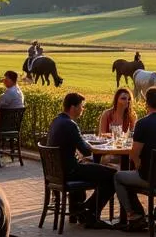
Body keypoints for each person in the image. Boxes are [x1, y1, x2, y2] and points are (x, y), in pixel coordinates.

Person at [114, 86, 156, 228]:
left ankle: (135, 215)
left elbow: (134, 153)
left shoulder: (143, 123)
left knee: (118, 177)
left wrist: (138, 164)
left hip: (150, 177)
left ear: (146, 103)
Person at [45, 92, 117, 227]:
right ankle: (90, 212)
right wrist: (101, 145)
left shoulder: (57, 121)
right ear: (73, 108)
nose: (82, 110)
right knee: (112, 175)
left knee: (97, 171)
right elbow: (85, 150)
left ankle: (82, 209)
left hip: (57, 171)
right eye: (81, 107)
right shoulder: (70, 125)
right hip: (70, 170)